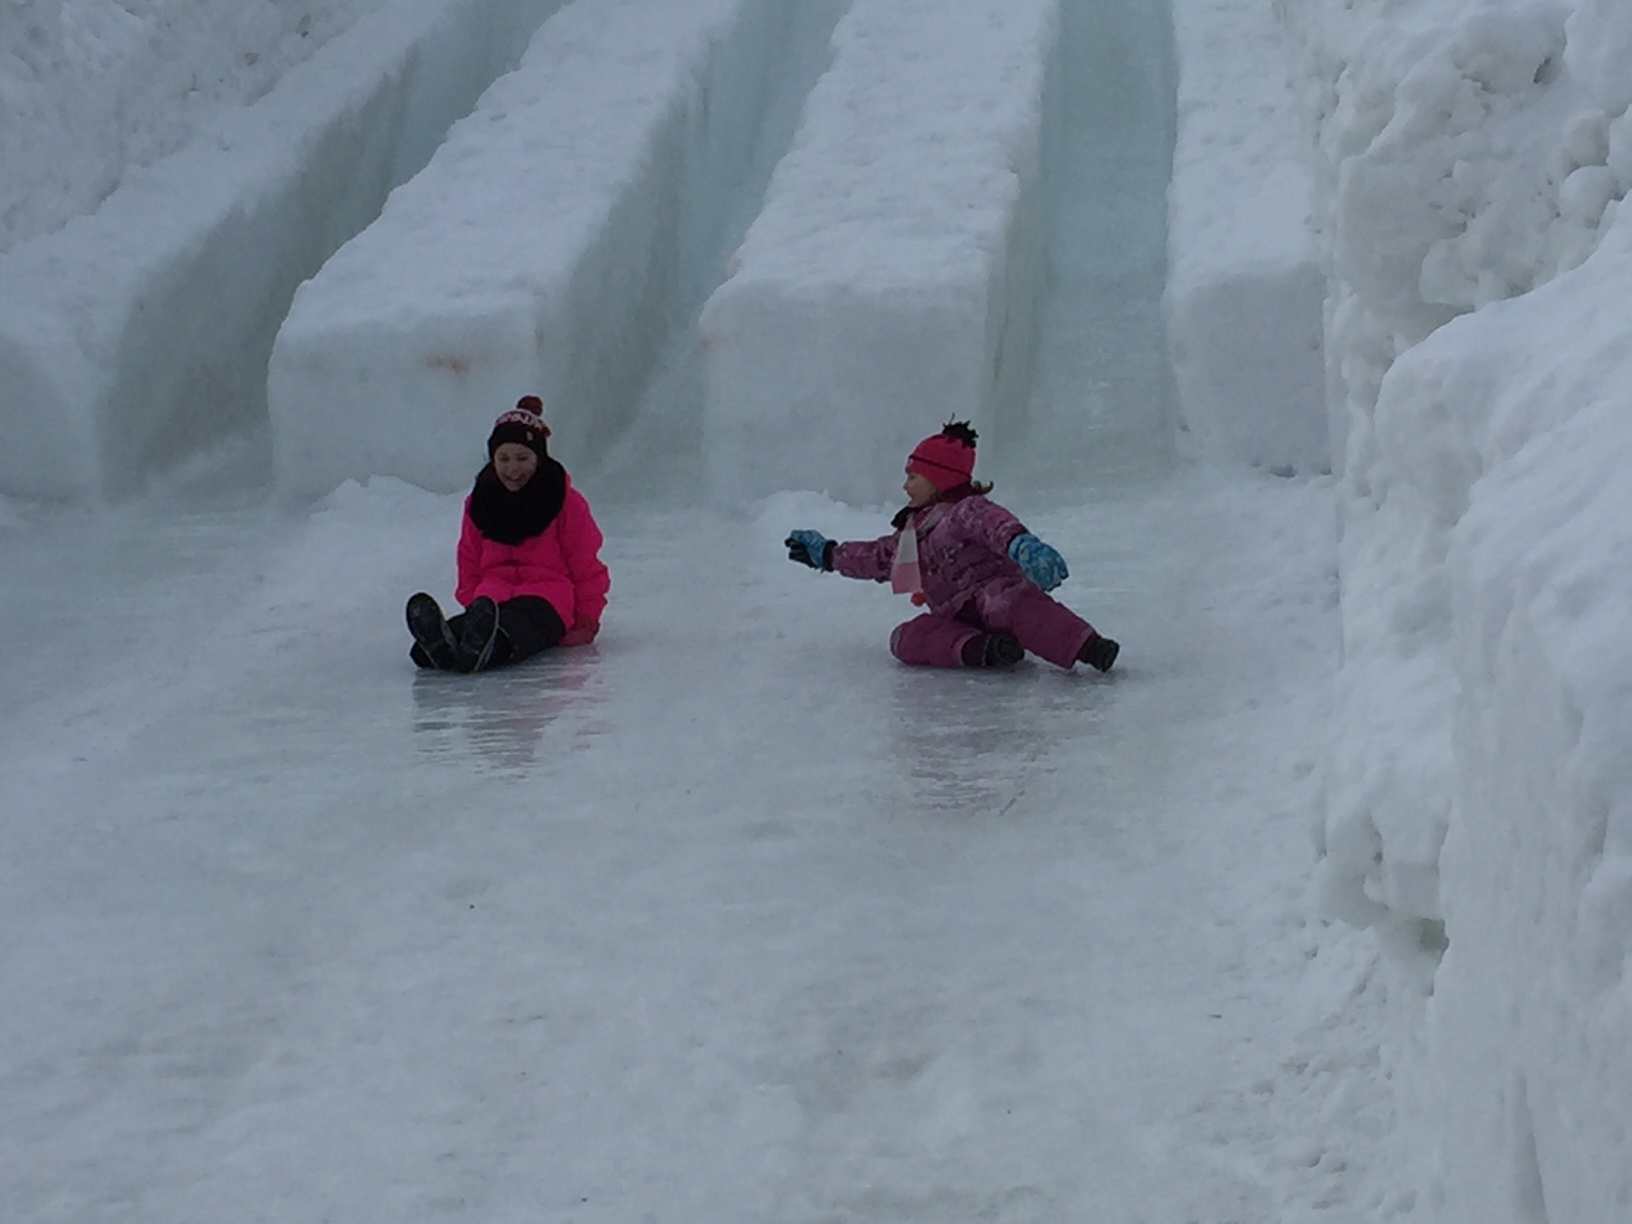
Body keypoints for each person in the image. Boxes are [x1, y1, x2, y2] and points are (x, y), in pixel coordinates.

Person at [784, 421, 1119, 672]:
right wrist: (827, 553)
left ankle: (1088, 647)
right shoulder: (911, 535)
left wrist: (1022, 545)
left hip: (995, 599)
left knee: (1021, 605)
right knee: (906, 637)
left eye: (913, 476)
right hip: (957, 618)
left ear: (938, 479)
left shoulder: (966, 511)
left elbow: (996, 525)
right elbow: (875, 557)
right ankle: (984, 649)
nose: (905, 484)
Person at [406, 395, 609, 673]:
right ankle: (438, 647)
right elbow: (469, 557)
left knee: (520, 626)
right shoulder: (481, 502)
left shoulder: (563, 500)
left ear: (539, 458)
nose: (513, 469)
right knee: (474, 625)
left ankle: (487, 646)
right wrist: (472, 600)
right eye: (503, 459)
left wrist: (586, 619)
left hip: (548, 598)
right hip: (492, 597)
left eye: (522, 458)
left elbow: (586, 565)